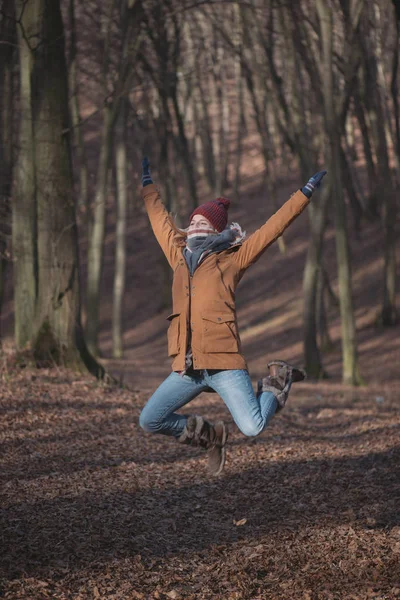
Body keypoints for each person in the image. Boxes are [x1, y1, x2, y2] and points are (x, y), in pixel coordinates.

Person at [139, 157, 326, 475]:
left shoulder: (232, 259)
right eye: (193, 221)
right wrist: (147, 187)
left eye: (203, 222)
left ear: (217, 228)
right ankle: (211, 436)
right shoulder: (179, 257)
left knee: (253, 426)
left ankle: (277, 381)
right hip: (188, 367)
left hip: (224, 363)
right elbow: (159, 221)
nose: (196, 225)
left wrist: (303, 194)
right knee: (150, 419)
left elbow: (272, 229)